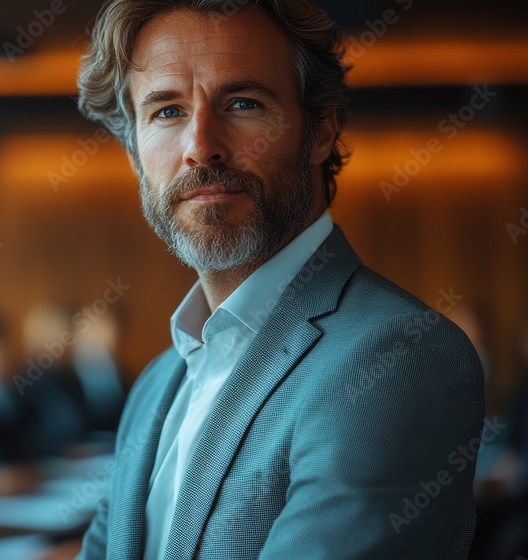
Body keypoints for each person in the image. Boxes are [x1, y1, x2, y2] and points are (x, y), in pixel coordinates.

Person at [73, 1, 485, 557]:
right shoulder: (156, 383)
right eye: (166, 112)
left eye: (242, 103)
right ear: (135, 154)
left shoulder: (399, 355)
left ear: (319, 131)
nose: (200, 146)